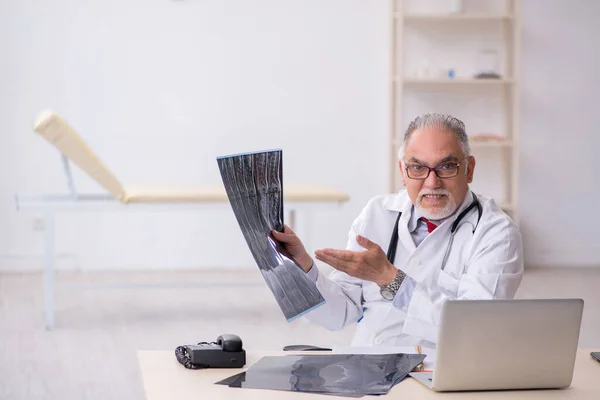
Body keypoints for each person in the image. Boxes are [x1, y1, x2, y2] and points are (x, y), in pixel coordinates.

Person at [272, 113, 524, 348]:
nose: (432, 182)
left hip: (435, 375)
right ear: (403, 172)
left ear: (469, 169)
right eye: (418, 168)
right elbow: (339, 314)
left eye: (447, 167)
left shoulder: (496, 233)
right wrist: (303, 268)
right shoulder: (378, 213)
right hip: (365, 369)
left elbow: (474, 329)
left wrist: (391, 279)